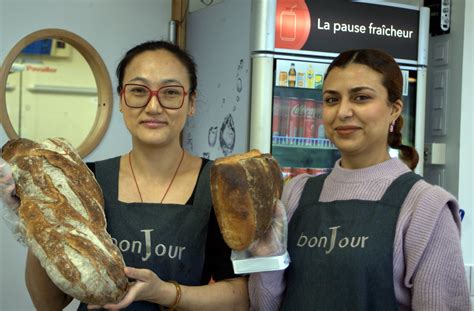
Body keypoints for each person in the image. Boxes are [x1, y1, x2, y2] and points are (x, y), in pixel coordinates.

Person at [0, 40, 249, 310]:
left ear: (191, 103)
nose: (153, 107)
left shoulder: (219, 186)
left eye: (170, 93)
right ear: (121, 100)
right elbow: (47, 303)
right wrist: (36, 222)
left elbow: (240, 298)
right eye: (139, 91)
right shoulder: (86, 180)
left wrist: (164, 293)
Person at [248, 49, 471, 310]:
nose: (343, 111)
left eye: (361, 98)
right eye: (332, 100)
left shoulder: (426, 207)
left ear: (394, 109)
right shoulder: (295, 193)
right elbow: (264, 306)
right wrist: (265, 261)